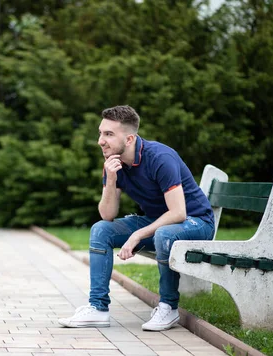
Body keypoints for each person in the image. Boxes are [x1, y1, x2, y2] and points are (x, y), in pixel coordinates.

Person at [58, 105, 215, 331]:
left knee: (164, 233)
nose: (100, 141)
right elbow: (107, 214)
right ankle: (98, 309)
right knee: (101, 229)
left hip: (196, 222)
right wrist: (110, 180)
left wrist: (137, 235)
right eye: (101, 133)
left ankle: (168, 308)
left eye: (108, 134)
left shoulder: (160, 158)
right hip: (161, 224)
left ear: (130, 138)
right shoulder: (113, 162)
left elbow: (179, 212)